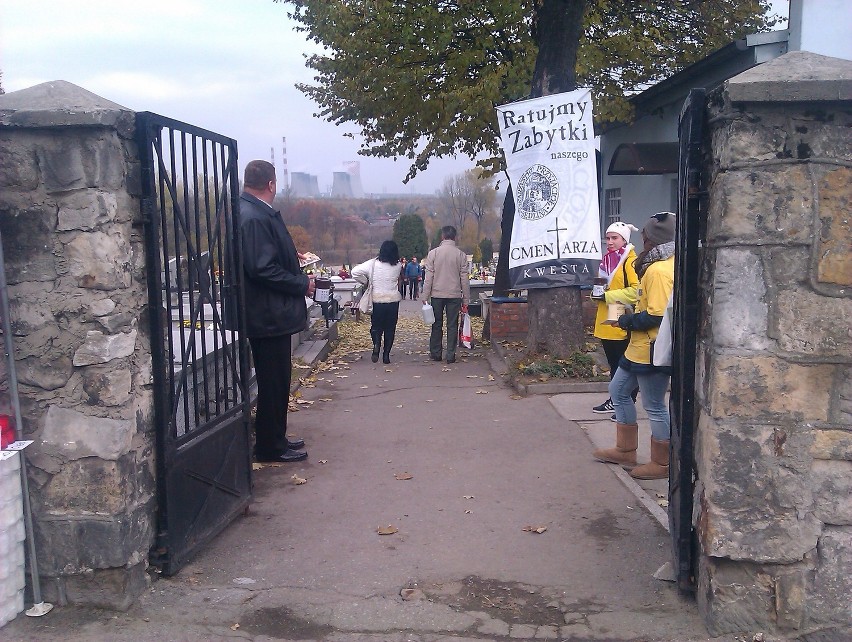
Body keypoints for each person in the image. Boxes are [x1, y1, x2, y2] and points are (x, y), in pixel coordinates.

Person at [239, 160, 313, 463]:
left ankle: (276, 437)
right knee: (273, 382)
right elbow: (261, 268)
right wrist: (300, 283)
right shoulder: (254, 216)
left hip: (268, 313)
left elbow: (263, 254)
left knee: (277, 380)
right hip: (268, 315)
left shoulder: (248, 210)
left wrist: (288, 254)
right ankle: (270, 446)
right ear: (271, 184)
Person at [593, 212, 676, 480]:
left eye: (644, 238)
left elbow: (657, 315)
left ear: (652, 240)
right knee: (618, 390)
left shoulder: (659, 271)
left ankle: (662, 463)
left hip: (651, 349)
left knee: (654, 404)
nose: (642, 242)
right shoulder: (658, 266)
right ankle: (625, 449)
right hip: (638, 349)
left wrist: (627, 321)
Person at [590, 222, 641, 419]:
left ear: (624, 240)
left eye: (614, 238)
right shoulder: (608, 260)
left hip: (621, 314)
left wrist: (607, 296)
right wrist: (596, 295)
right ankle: (616, 400)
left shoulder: (630, 262)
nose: (609, 242)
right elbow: (604, 286)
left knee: (623, 363)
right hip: (608, 314)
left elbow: (636, 291)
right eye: (608, 238)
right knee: (614, 363)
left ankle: (626, 401)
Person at [421, 226, 470, 364]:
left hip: (437, 293)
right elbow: (464, 279)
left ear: (442, 236)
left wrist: (425, 296)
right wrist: (466, 300)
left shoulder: (433, 254)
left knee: (436, 324)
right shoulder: (460, 255)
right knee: (452, 325)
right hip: (454, 294)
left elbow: (428, 277)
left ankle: (436, 352)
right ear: (455, 237)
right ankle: (450, 354)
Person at [352, 241, 403, 364]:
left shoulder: (372, 264)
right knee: (390, 329)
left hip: (377, 301)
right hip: (393, 301)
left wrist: (366, 281)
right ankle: (386, 356)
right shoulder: (398, 266)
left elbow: (354, 272)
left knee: (376, 327)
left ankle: (376, 344)